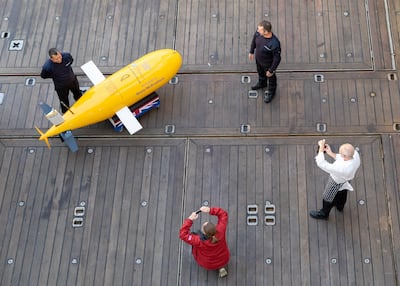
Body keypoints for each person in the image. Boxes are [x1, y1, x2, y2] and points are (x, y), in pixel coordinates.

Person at [309, 139, 361, 219]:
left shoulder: (341, 168)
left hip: (336, 182)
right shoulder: (355, 155)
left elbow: (321, 163)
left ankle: (324, 214)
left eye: (341, 154)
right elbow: (343, 158)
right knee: (342, 193)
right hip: (347, 180)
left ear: (344, 156)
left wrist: (321, 149)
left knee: (327, 197)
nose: (339, 154)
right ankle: (340, 206)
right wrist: (330, 153)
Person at [179, 206, 230, 278]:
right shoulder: (221, 231)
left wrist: (190, 219)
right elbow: (223, 214)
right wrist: (210, 210)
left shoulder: (198, 241)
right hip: (223, 258)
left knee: (212, 262)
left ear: (203, 232)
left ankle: (219, 268)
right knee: (220, 261)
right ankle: (221, 268)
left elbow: (183, 234)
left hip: (208, 263)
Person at [248, 20, 281, 103]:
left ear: (266, 32)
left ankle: (271, 92)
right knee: (260, 73)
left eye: (259, 29)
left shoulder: (274, 44)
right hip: (259, 61)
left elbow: (277, 58)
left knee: (271, 79)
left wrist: (271, 70)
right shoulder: (258, 34)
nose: (257, 30)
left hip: (268, 65)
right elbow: (254, 41)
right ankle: (262, 83)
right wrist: (251, 51)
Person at [40, 48, 82, 113]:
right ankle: (66, 114)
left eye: (60, 57)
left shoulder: (67, 56)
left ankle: (82, 106)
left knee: (78, 94)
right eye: (56, 59)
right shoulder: (47, 67)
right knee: (64, 101)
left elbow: (71, 61)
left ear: (60, 53)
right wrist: (55, 76)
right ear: (51, 59)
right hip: (61, 87)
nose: (59, 60)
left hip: (73, 81)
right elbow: (43, 76)